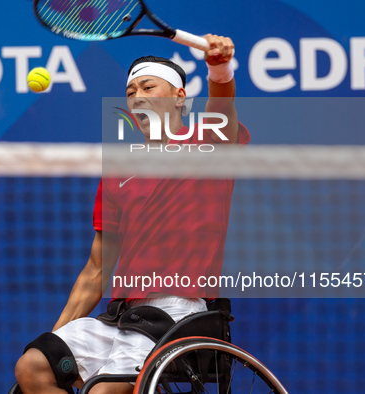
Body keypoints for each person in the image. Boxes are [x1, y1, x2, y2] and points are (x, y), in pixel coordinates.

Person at [15, 34, 249, 394]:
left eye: (148, 86)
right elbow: (97, 269)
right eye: (130, 91)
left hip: (177, 312)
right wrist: (56, 334)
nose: (137, 96)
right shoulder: (118, 171)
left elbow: (223, 107)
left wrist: (219, 67)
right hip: (121, 314)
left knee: (103, 392)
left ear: (179, 97)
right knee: (33, 365)